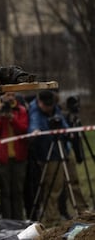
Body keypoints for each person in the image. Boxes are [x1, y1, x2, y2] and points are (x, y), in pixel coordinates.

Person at [28, 90, 87, 226]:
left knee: (74, 181)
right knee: (53, 187)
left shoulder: (55, 107)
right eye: (46, 105)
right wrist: (35, 131)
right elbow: (34, 124)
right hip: (48, 152)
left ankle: (83, 212)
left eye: (51, 105)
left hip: (63, 148)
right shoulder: (35, 110)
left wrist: (67, 132)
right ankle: (52, 219)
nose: (49, 108)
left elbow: (62, 121)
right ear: (39, 102)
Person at [0, 92, 29, 220]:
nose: (9, 97)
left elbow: (23, 129)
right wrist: (1, 117)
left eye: (12, 94)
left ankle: (19, 220)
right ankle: (7, 221)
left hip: (18, 157)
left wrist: (12, 118)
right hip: (1, 158)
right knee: (5, 192)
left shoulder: (20, 110)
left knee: (18, 191)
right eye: (6, 95)